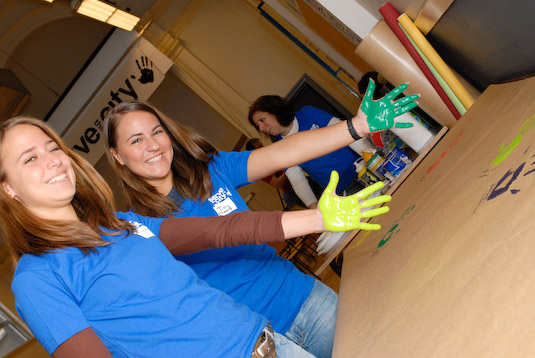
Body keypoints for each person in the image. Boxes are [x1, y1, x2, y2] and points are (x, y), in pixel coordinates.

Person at [0, 116, 391, 357]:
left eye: (53, 148)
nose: (52, 161)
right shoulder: (37, 278)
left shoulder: (118, 224)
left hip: (270, 342)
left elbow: (220, 231)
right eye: (29, 158)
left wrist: (316, 219)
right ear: (8, 189)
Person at [104, 81, 417, 358]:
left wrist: (355, 127)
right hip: (260, 342)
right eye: (136, 140)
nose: (153, 145)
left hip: (307, 299)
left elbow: (284, 153)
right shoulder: (139, 228)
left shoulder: (212, 169)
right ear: (117, 156)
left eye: (157, 131)